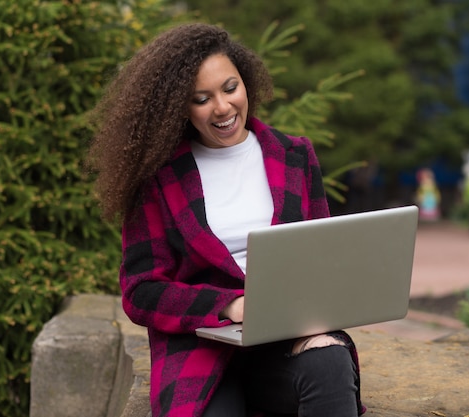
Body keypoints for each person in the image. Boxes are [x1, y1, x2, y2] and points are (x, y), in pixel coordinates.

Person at [87, 23, 365, 417]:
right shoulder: (157, 179)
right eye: (202, 98)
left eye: (230, 88)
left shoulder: (295, 156)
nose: (222, 107)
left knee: (330, 363)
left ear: (246, 82)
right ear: (178, 107)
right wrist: (229, 304)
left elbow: (320, 259)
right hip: (201, 355)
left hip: (286, 340)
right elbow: (141, 291)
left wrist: (319, 324)